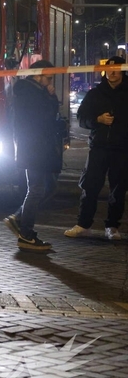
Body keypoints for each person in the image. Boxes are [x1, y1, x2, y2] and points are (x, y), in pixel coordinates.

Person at [65, 56, 127, 241]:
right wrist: (97, 120)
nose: (112, 72)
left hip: (122, 148)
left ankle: (112, 226)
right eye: (109, 69)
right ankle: (83, 224)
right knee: (90, 186)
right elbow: (82, 118)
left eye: (116, 69)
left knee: (118, 189)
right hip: (99, 147)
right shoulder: (95, 93)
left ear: (123, 71)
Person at [4, 59, 63, 252]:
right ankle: (25, 233)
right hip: (35, 147)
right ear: (38, 75)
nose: (50, 82)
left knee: (44, 187)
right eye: (49, 78)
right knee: (37, 188)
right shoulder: (31, 93)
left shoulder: (30, 91)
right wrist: (51, 98)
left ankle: (20, 220)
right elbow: (45, 117)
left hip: (35, 146)